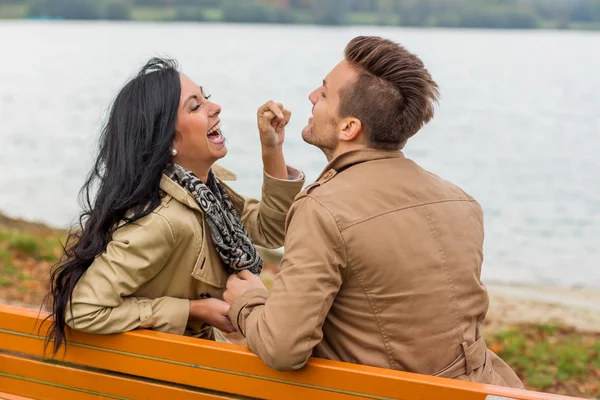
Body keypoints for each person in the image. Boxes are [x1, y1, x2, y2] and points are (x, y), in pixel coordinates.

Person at [223, 36, 523, 388]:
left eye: (323, 93)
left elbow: (283, 348)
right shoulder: (461, 202)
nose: (311, 97)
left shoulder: (322, 210)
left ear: (350, 128)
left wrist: (248, 302)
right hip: (483, 389)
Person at [44, 57, 304, 354]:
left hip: (187, 366)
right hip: (173, 372)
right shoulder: (164, 220)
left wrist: (272, 149)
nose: (214, 107)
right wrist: (191, 310)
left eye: (206, 97)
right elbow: (81, 309)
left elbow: (271, 230)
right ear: (167, 138)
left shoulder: (206, 191)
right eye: (195, 106)